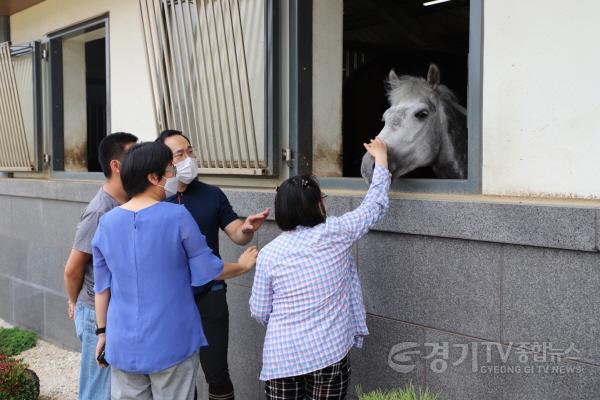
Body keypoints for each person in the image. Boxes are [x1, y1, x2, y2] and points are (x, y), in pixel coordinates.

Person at [92, 142, 258, 400]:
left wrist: (102, 333)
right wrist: (243, 266)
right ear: (153, 177)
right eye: (169, 169)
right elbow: (208, 269)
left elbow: (102, 287)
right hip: (172, 339)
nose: (173, 175)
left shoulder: (107, 222)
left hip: (122, 342)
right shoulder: (177, 216)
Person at [250, 138, 391, 400]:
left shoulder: (269, 254)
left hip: (282, 357)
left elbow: (259, 310)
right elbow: (374, 206)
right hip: (328, 352)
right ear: (318, 205)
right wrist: (381, 159)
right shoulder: (335, 233)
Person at [156, 130, 269, 400]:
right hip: (171, 300)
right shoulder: (157, 199)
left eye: (190, 151)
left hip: (211, 293)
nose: (188, 158)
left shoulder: (211, 194)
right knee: (180, 373)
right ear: (164, 164)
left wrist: (248, 228)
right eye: (179, 154)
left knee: (217, 372)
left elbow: (237, 235)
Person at [63, 132, 138, 400]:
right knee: (98, 390)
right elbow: (73, 268)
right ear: (116, 165)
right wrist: (75, 302)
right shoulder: (100, 210)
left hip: (114, 308)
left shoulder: (129, 201)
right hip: (96, 311)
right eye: (134, 153)